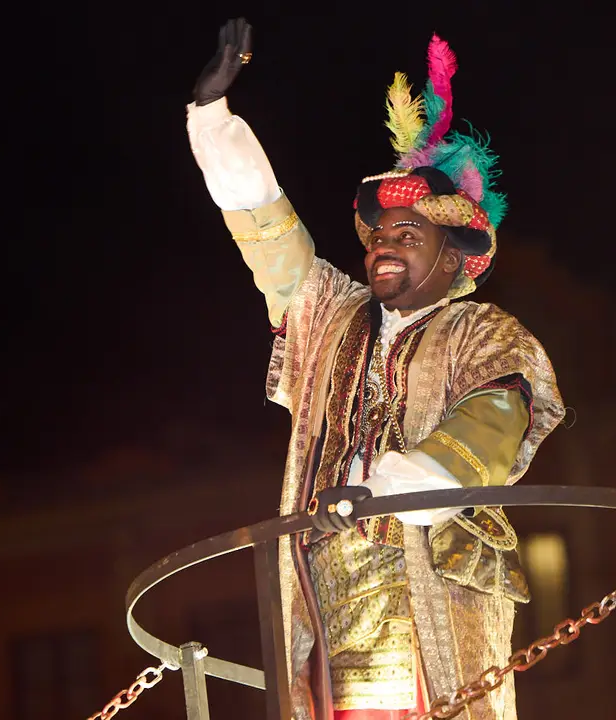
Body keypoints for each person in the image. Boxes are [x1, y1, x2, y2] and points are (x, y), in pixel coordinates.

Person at [186, 18, 565, 720]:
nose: (383, 247)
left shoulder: (486, 334)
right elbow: (267, 232)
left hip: (430, 596)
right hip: (328, 593)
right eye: (378, 236)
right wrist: (212, 119)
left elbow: (489, 426)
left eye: (407, 235)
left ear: (454, 257)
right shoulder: (331, 314)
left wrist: (381, 493)